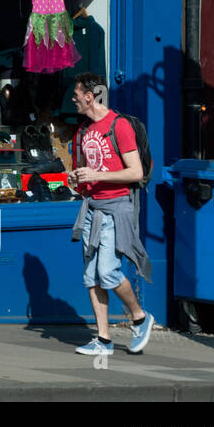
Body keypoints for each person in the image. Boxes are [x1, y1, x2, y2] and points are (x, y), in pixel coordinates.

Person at [67, 73, 154, 357]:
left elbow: (136, 172)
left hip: (116, 208)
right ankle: (103, 340)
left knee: (107, 271)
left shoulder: (120, 125)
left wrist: (97, 174)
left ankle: (139, 317)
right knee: (91, 275)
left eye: (77, 94)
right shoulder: (82, 132)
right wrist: (76, 179)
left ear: (90, 96)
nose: (73, 99)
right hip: (92, 207)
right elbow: (86, 172)